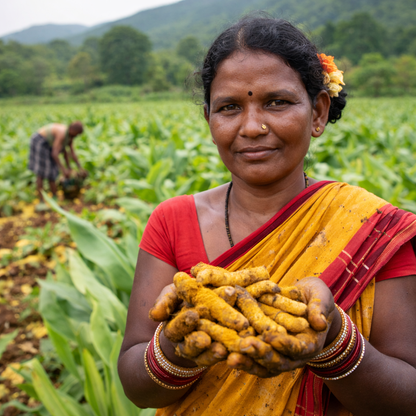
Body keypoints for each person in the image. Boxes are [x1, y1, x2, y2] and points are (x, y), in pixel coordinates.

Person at [118, 16, 416, 416]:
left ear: (318, 113)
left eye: (277, 102)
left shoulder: (373, 230)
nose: (253, 126)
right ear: (209, 120)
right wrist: (177, 343)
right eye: (229, 107)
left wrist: (332, 339)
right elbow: (138, 390)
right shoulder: (172, 221)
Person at [28, 121, 86, 203]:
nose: (76, 136)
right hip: (40, 142)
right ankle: (41, 199)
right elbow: (55, 154)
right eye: (76, 134)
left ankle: (54, 197)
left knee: (52, 172)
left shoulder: (70, 136)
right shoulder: (62, 133)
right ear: (72, 130)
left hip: (49, 144)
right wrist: (63, 170)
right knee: (41, 173)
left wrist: (78, 168)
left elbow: (69, 153)